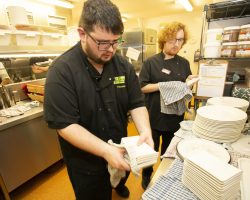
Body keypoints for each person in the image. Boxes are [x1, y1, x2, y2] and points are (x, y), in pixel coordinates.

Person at [43, 0, 154, 199]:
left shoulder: (123, 66)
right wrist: (104, 150)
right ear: (82, 34)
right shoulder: (61, 71)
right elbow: (65, 125)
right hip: (85, 164)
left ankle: (118, 185)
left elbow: (136, 103)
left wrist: (145, 131)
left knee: (120, 177)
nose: (110, 49)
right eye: (103, 42)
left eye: (116, 41)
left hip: (121, 150)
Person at [139, 22, 197, 189]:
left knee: (169, 152)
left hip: (175, 118)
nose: (176, 44)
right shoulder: (151, 62)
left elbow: (186, 86)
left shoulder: (184, 63)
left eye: (180, 40)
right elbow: (142, 86)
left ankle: (164, 176)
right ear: (164, 40)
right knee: (151, 151)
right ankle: (147, 174)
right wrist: (165, 86)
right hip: (154, 116)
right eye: (172, 40)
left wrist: (189, 83)